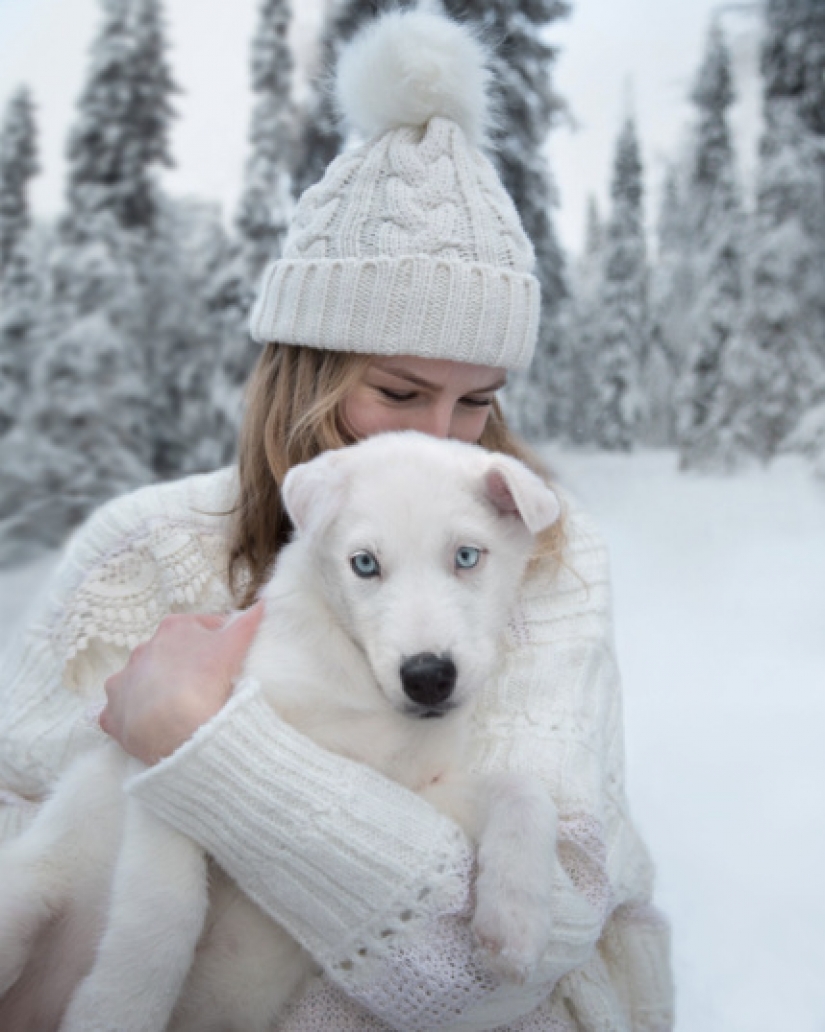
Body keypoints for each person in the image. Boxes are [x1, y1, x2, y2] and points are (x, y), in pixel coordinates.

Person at [0, 8, 674, 1031]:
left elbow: (490, 965)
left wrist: (198, 746)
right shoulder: (141, 553)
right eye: (401, 394)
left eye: (478, 399)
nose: (450, 439)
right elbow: (20, 817)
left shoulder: (542, 558)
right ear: (301, 372)